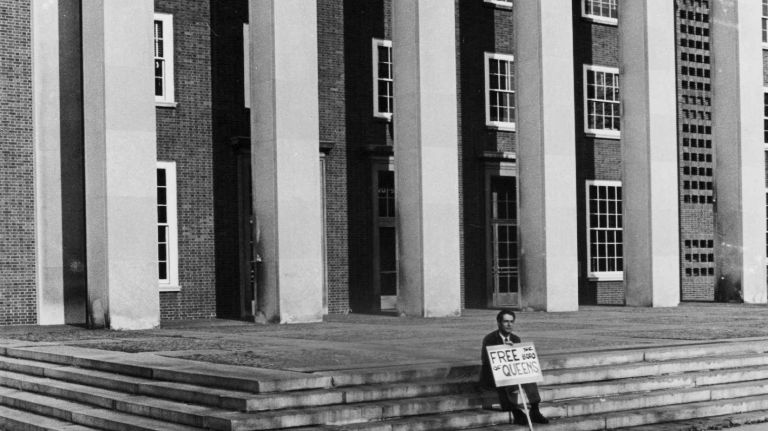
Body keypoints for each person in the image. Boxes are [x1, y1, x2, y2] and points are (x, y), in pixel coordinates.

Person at [480, 309, 549, 425]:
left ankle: (535, 409)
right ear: (499, 323)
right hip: (493, 375)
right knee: (505, 380)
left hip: (512, 373)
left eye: (511, 322)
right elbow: (487, 361)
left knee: (530, 375)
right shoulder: (490, 339)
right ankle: (516, 411)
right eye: (506, 321)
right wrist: (502, 348)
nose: (509, 324)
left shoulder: (516, 339)